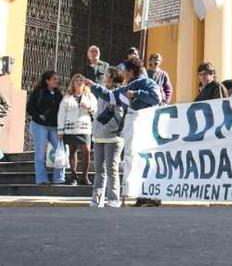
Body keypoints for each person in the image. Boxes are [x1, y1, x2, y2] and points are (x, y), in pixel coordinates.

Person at [85, 57, 161, 207]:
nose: (123, 74)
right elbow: (111, 97)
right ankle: (142, 196)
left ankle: (151, 196)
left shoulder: (147, 82)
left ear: (130, 71)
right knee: (135, 161)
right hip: (133, 130)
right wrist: (93, 86)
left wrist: (137, 93)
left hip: (146, 129)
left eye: (124, 71)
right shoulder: (127, 86)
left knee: (145, 161)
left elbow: (156, 97)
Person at [90, 67, 125, 208]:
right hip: (99, 136)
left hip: (113, 137)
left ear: (112, 77)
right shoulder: (101, 91)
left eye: (107, 75)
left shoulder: (119, 93)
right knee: (99, 170)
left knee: (112, 169)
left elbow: (120, 114)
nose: (104, 76)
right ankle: (96, 199)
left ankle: (113, 199)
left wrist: (111, 127)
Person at [26, 71, 65, 184]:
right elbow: (30, 108)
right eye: (54, 79)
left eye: (57, 79)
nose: (57, 81)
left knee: (60, 150)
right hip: (39, 126)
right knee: (40, 153)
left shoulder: (58, 93)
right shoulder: (39, 92)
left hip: (54, 127)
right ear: (47, 81)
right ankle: (42, 179)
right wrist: (39, 116)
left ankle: (59, 178)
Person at [58, 74, 97, 186]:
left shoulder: (90, 96)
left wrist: (88, 107)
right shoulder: (67, 98)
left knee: (87, 151)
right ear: (73, 83)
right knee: (72, 151)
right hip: (71, 129)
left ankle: (84, 176)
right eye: (77, 80)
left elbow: (96, 110)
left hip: (85, 128)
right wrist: (60, 130)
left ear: (85, 83)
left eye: (81, 80)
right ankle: (73, 177)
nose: (79, 82)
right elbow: (61, 114)